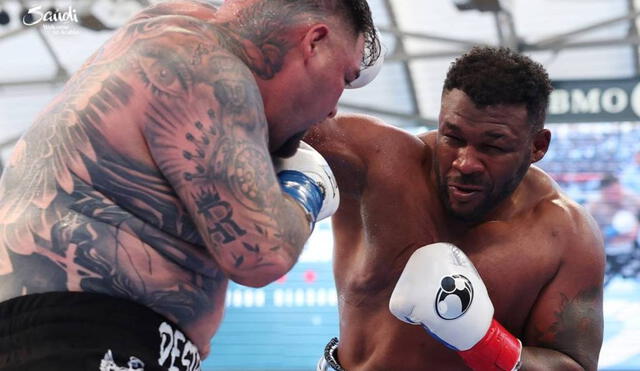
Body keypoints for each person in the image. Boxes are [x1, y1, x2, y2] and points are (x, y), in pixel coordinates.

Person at [0, 1, 380, 370]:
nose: (333, 109)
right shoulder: (206, 66)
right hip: (78, 337)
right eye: (344, 77)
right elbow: (262, 255)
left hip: (94, 336)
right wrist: (305, 186)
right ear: (313, 41)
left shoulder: (175, 31)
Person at [307, 46, 605, 371]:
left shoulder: (564, 234)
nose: (466, 163)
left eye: (492, 146)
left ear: (537, 146)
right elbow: (260, 124)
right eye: (453, 137)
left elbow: (574, 365)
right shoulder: (377, 162)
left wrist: (486, 342)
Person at [587, 174, 640, 284]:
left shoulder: (632, 198)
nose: (617, 195)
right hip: (605, 248)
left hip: (632, 245)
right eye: (612, 193)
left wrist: (636, 229)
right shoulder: (593, 206)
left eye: (618, 191)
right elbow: (586, 232)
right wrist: (607, 235)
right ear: (603, 192)